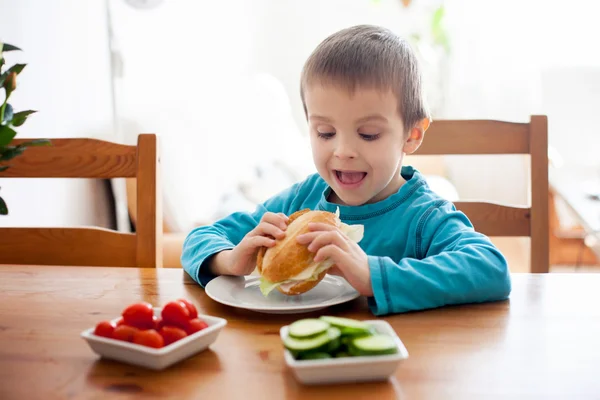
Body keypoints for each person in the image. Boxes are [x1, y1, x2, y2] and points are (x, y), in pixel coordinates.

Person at [181, 24, 511, 316]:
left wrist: (372, 275)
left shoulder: (424, 216)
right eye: (325, 133)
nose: (343, 152)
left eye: (368, 134)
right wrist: (230, 260)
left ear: (411, 136)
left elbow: (491, 268)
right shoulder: (300, 203)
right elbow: (198, 238)